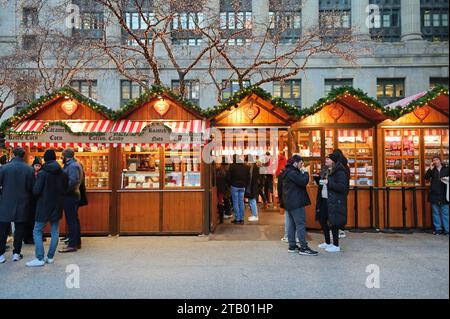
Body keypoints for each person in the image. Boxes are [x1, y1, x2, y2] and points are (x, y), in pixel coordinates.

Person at [26, 150, 68, 267]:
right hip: (57, 205)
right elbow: (65, 189)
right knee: (55, 231)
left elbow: (36, 191)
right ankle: (50, 257)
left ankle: (39, 258)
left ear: (45, 159)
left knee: (37, 230)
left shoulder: (42, 173)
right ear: (55, 158)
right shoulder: (62, 172)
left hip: (43, 205)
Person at [278, 155, 318, 256]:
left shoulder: (285, 172)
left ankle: (292, 246)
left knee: (292, 225)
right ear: (295, 163)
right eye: (301, 163)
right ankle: (303, 247)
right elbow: (304, 181)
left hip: (289, 203)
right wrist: (305, 172)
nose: (302, 165)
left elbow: (280, 189)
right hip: (296, 203)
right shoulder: (293, 172)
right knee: (300, 224)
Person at [0, 147, 34, 264]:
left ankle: (1, 254)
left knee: (3, 228)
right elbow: (31, 188)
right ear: (23, 155)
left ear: (13, 155)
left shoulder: (4, 168)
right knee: (19, 228)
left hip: (5, 202)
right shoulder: (29, 169)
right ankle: (16, 252)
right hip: (23, 201)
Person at [315, 151, 350, 253]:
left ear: (333, 161)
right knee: (322, 220)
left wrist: (328, 183)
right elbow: (323, 183)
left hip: (334, 200)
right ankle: (327, 242)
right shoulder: (325, 170)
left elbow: (342, 187)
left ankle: (336, 245)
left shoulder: (340, 172)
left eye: (328, 159)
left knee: (333, 222)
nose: (326, 160)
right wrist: (319, 180)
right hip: (324, 198)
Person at [59, 149, 84, 253]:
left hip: (71, 195)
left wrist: (64, 190)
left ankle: (72, 244)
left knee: (71, 220)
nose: (61, 158)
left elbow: (73, 181)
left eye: (62, 156)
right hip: (73, 195)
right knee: (74, 219)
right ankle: (76, 242)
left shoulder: (73, 166)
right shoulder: (74, 164)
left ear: (66, 157)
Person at [425, 155, 449, 235]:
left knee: (445, 213)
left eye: (437, 160)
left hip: (444, 193)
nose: (435, 161)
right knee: (435, 213)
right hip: (434, 193)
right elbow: (426, 177)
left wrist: (447, 179)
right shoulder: (432, 170)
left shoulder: (446, 169)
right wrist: (430, 169)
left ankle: (447, 229)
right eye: (434, 160)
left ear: (440, 160)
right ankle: (438, 229)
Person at [24, 156, 42, 244]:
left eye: (39, 165)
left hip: (36, 200)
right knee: (30, 219)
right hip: (30, 200)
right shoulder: (30, 173)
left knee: (35, 219)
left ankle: (35, 236)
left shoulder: (40, 174)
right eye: (36, 165)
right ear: (33, 165)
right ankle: (28, 237)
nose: (38, 167)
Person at [227, 155, 250, 225]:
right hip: (242, 186)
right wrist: (245, 185)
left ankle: (237, 219)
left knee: (235, 203)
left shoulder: (232, 166)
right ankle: (242, 219)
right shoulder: (246, 167)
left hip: (234, 186)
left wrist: (230, 184)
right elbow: (248, 177)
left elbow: (228, 177)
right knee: (241, 202)